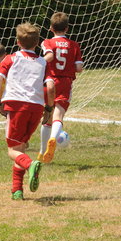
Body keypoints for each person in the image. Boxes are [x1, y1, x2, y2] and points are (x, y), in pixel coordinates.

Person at [0, 23, 55, 200]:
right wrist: (49, 109)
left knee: (12, 151)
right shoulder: (43, 62)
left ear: (18, 42)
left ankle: (30, 165)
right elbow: (51, 87)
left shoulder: (11, 58)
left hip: (16, 106)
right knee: (20, 148)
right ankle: (17, 191)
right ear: (37, 43)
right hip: (36, 108)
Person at [38, 12, 84, 163]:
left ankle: (42, 152)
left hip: (49, 82)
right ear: (67, 28)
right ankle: (53, 138)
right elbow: (78, 68)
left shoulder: (47, 42)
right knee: (58, 116)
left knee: (47, 118)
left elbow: (49, 57)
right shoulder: (74, 45)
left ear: (51, 28)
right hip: (65, 83)